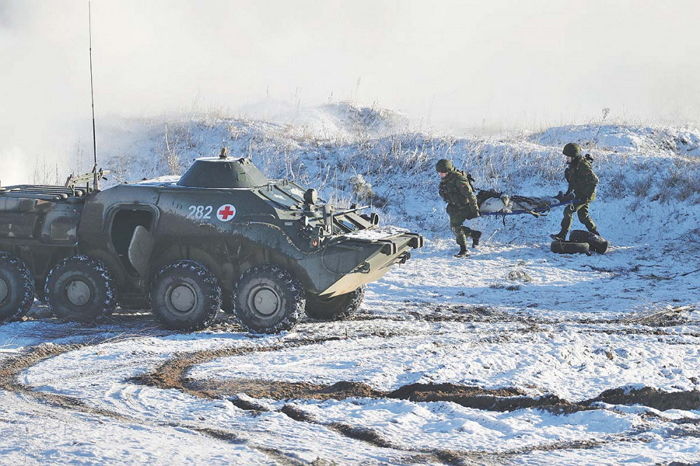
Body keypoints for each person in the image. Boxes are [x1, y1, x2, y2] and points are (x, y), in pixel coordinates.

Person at [550, 143, 600, 241]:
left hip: (585, 195)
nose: (566, 159)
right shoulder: (574, 166)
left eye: (568, 157)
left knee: (568, 211)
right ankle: (596, 235)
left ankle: (562, 235)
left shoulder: (583, 165)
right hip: (580, 194)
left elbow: (594, 180)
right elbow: (573, 183)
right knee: (583, 216)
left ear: (574, 156)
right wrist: (567, 194)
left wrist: (586, 196)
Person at [436, 159, 481, 257]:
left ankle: (464, 250)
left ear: (448, 171)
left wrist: (475, 210)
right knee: (454, 227)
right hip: (454, 206)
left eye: (442, 172)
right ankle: (474, 234)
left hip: (465, 207)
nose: (440, 175)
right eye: (439, 173)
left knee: (456, 227)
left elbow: (470, 195)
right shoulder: (447, 179)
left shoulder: (459, 179)